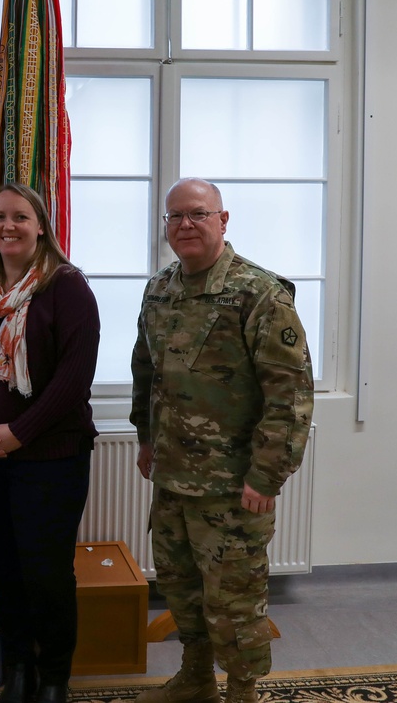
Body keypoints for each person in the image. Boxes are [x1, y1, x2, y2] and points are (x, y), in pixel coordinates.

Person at [130, 178, 314, 703]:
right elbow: (146, 371)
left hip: (233, 486)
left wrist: (267, 474)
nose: (185, 224)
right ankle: (195, 677)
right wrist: (145, 438)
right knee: (182, 590)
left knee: (234, 601)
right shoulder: (159, 290)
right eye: (175, 217)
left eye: (198, 214)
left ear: (223, 219)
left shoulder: (259, 293)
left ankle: (242, 690)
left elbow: (290, 393)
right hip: (171, 476)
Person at [0, 183, 100, 703]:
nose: (8, 226)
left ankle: (54, 675)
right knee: (3, 568)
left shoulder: (68, 288)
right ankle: (19, 668)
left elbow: (73, 381)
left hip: (49, 459)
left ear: (41, 226)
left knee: (46, 572)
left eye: (20, 217)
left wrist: (19, 433)